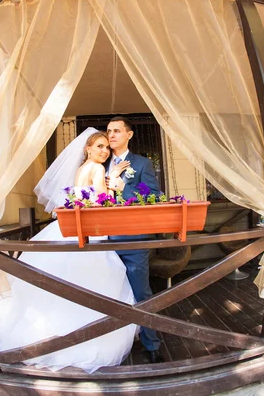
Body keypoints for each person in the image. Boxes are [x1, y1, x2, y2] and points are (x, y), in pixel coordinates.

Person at [0, 128, 138, 373]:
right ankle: (84, 340)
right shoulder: (99, 169)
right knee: (92, 283)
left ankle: (46, 340)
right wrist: (115, 184)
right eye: (99, 146)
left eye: (106, 147)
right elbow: (104, 203)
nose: (104, 151)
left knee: (60, 284)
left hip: (65, 229)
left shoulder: (80, 170)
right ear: (87, 149)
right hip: (89, 230)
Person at [105, 116, 164, 364]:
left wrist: (123, 189)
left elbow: (155, 196)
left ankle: (152, 343)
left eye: (117, 131)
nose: (111, 135)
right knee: (106, 293)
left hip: (132, 238)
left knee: (141, 291)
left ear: (129, 135)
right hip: (102, 240)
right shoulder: (99, 162)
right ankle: (112, 344)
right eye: (109, 131)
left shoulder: (141, 164)